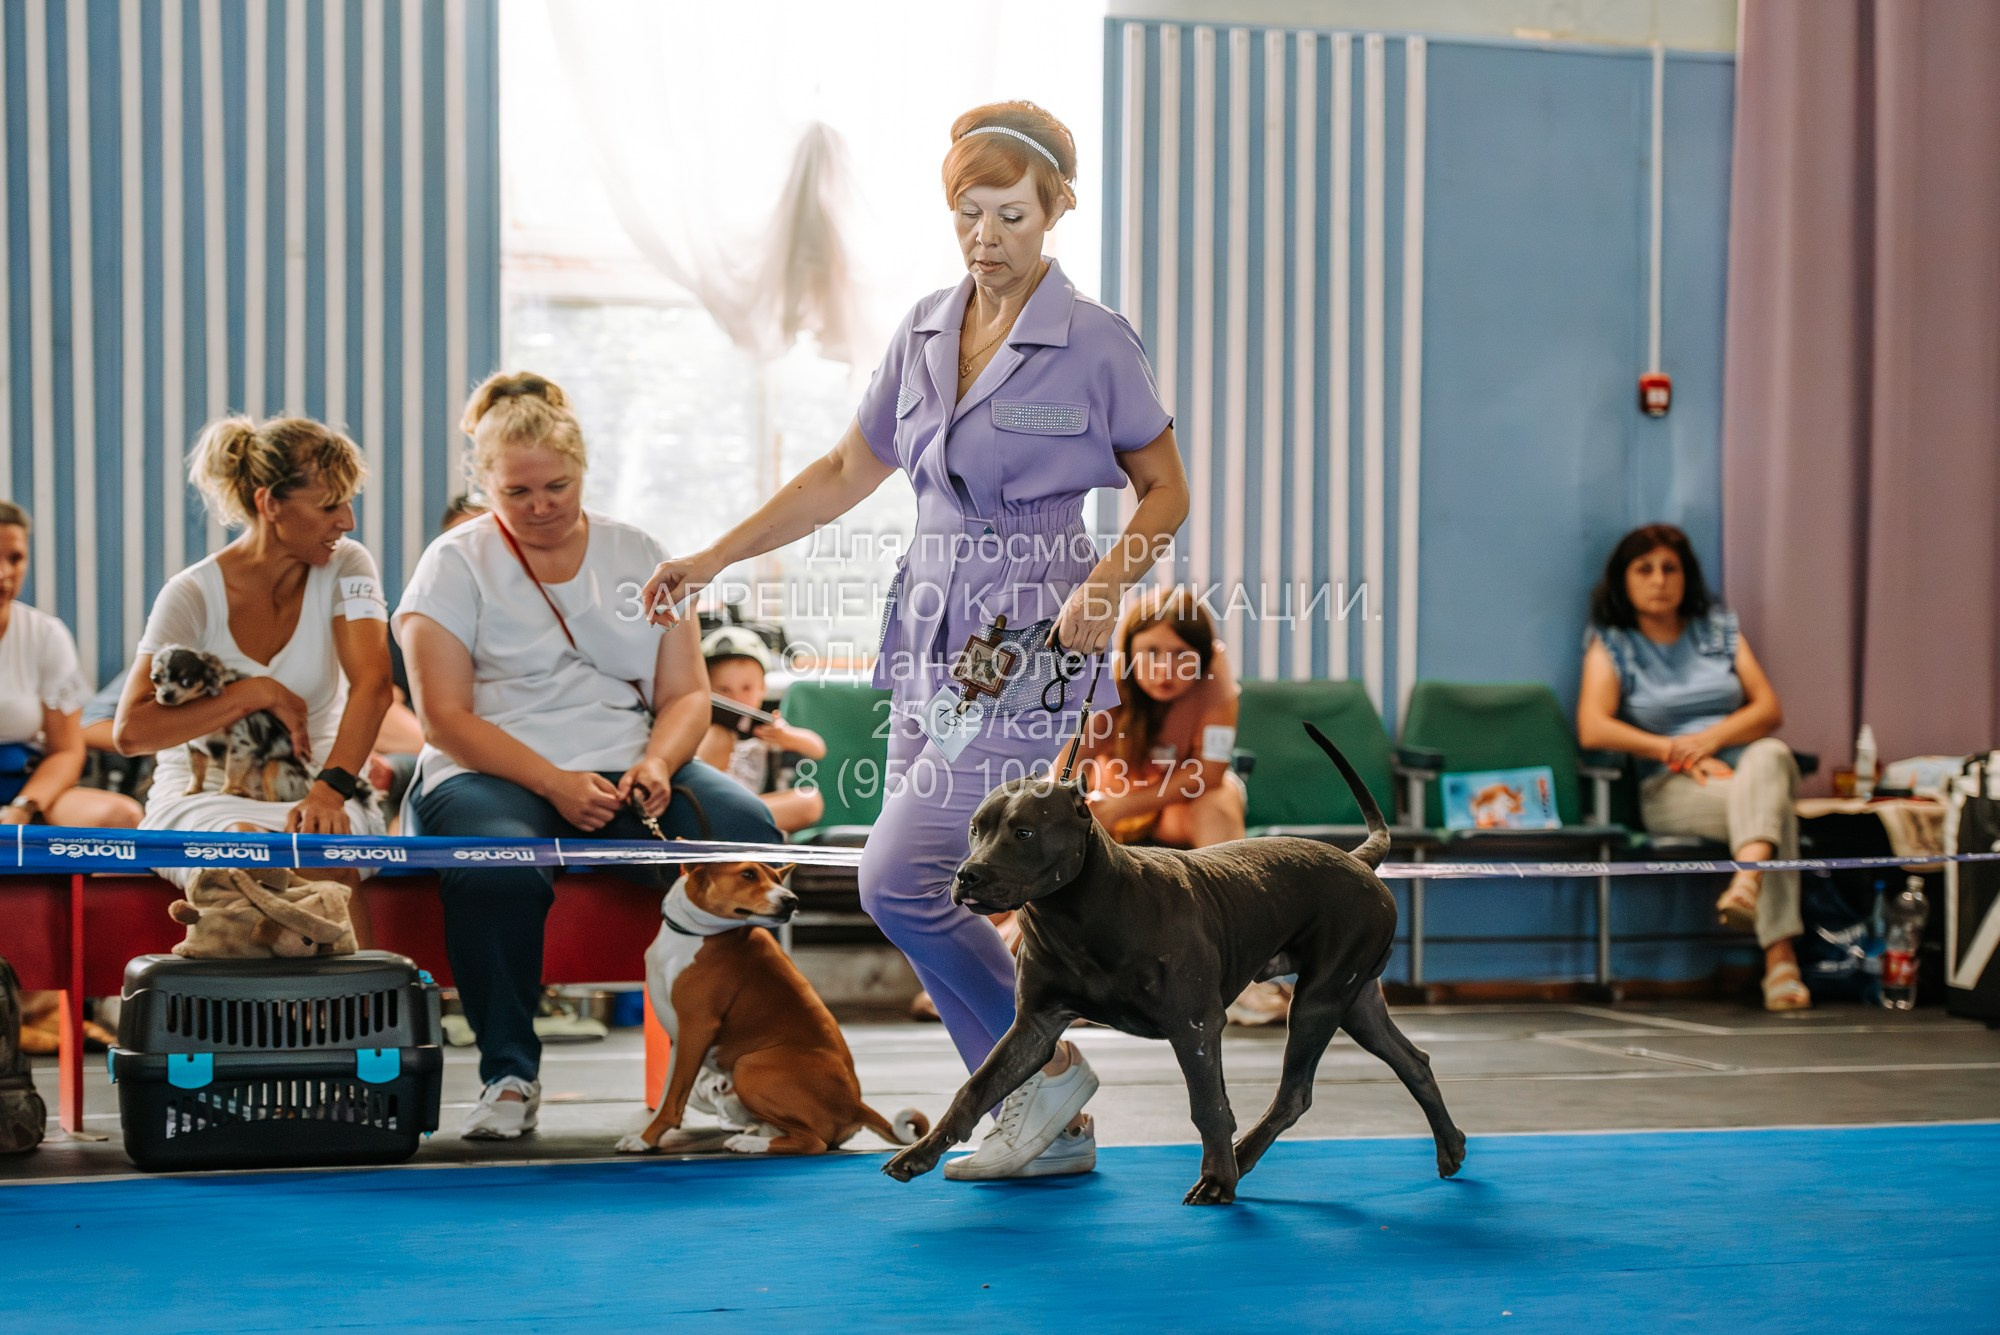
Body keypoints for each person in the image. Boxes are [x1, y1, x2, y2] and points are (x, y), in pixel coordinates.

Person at [642, 101, 1191, 1179]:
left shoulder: (1094, 341)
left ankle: (1038, 1075)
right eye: (967, 213)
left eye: (1011, 215)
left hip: (1035, 629)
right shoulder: (924, 327)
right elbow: (843, 476)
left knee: (897, 877)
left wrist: (1106, 581)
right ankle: (1042, 1119)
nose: (986, 236)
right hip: (931, 631)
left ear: (1055, 212)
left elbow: (1164, 490)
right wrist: (710, 558)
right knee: (934, 888)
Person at [396, 372, 781, 1139]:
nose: (540, 505)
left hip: (624, 760)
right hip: (488, 770)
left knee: (750, 837)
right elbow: (443, 718)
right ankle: (509, 1073)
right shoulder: (454, 562)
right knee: (498, 859)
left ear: (583, 470)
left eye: (557, 486)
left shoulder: (637, 551)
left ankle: (724, 1061)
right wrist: (554, 783)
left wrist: (661, 764)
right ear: (486, 485)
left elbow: (685, 695)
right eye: (518, 492)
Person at [113, 418, 393, 930]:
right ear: (269, 503)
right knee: (248, 855)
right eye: (330, 504)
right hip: (204, 798)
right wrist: (252, 693)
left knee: (326, 862)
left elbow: (374, 686)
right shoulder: (191, 595)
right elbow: (132, 731)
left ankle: (359, 1010)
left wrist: (330, 790)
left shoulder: (349, 566)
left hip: (320, 787)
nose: (348, 521)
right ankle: (278, 1011)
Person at [1575, 524, 1807, 1011]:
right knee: (1774, 808)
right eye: (1645, 569)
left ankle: (1747, 881)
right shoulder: (1613, 644)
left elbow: (1768, 710)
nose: (1659, 579)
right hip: (1672, 786)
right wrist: (1674, 753)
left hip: (1741, 771)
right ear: (1624, 580)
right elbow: (1593, 728)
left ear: (1686, 576)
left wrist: (1710, 741)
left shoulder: (1718, 629)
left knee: (1772, 755)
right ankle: (1779, 958)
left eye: (1670, 568)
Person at [1073, 586, 1286, 1025]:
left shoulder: (1217, 681)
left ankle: (1240, 978)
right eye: (1150, 652)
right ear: (1128, 651)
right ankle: (1005, 970)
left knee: (1219, 796)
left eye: (1181, 655)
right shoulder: (1107, 682)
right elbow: (1068, 769)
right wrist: (1096, 810)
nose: (1165, 669)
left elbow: (1209, 771)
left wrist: (1124, 807)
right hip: (1110, 809)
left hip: (1176, 806)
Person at [0, 501, 143, 829]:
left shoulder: (45, 635)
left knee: (123, 817)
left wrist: (22, 809)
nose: (3, 574)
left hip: (30, 790)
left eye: (15, 558)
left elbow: (66, 751)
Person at [697, 625, 828, 836]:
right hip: (707, 807)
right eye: (724, 689)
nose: (737, 698)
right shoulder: (698, 727)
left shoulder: (769, 728)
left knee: (810, 801)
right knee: (719, 736)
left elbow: (817, 748)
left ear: (762, 689)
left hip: (752, 808)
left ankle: (739, 823)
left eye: (747, 688)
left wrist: (785, 737)